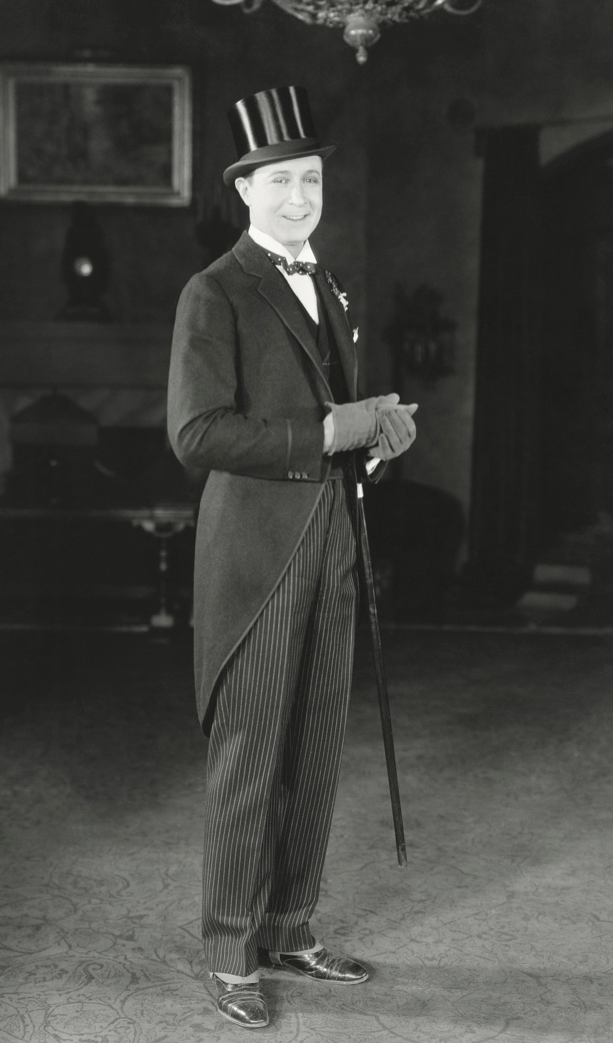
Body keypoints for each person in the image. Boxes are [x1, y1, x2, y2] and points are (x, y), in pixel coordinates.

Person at [167, 85, 418, 1029]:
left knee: (313, 749)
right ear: (246, 191)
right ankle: (230, 949)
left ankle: (289, 928)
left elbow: (339, 436)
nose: (299, 195)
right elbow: (197, 434)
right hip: (257, 557)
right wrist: (328, 427)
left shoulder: (333, 285)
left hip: (333, 547)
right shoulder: (215, 291)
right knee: (249, 753)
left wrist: (377, 440)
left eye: (310, 179)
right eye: (280, 180)